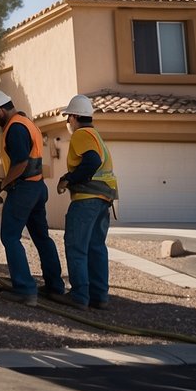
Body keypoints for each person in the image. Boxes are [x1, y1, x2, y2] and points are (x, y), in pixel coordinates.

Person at [0, 89, 66, 306]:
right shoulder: (26, 122)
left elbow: (21, 163)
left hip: (24, 190)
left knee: (10, 237)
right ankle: (55, 288)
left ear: (0, 110)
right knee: (42, 238)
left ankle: (24, 290)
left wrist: (3, 184)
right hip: (37, 188)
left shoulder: (16, 128)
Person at [52, 94, 118, 311]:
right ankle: (99, 296)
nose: (67, 123)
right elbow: (94, 163)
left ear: (73, 117)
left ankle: (79, 295)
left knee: (76, 246)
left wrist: (68, 179)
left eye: (67, 118)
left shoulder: (81, 134)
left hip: (86, 201)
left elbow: (91, 162)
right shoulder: (96, 136)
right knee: (96, 247)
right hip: (103, 200)